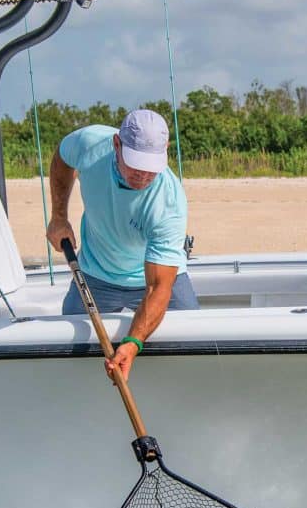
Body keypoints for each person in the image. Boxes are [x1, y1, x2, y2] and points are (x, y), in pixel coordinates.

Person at [46, 109, 198, 381]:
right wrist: (58, 217)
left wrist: (133, 343)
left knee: (196, 342)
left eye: (151, 168)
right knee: (65, 347)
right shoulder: (90, 144)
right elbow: (62, 158)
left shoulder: (169, 202)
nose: (143, 176)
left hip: (154, 279)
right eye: (135, 164)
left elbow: (158, 287)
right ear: (116, 144)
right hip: (96, 273)